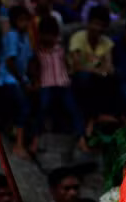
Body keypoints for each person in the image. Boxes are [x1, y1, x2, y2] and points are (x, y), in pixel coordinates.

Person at [30, 15, 86, 151]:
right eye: (47, 35)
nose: (50, 39)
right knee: (42, 109)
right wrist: (35, 81)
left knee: (74, 110)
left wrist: (71, 71)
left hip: (63, 83)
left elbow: (68, 64)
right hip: (46, 84)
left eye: (52, 35)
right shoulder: (38, 51)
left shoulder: (61, 48)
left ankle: (81, 139)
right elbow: (35, 69)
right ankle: (35, 140)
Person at [69, 5, 118, 126]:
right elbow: (77, 66)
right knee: (85, 78)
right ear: (89, 23)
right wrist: (97, 70)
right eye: (95, 24)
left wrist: (106, 70)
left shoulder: (106, 43)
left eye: (101, 25)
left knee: (114, 77)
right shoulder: (78, 38)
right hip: (77, 79)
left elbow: (108, 66)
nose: (98, 28)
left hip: (98, 80)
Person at [0, 5, 35, 160]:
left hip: (21, 78)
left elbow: (29, 60)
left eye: (26, 20)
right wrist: (22, 81)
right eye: (21, 20)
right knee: (23, 108)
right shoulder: (12, 36)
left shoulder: (25, 37)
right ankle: (18, 145)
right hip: (8, 78)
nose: (24, 23)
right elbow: (10, 62)